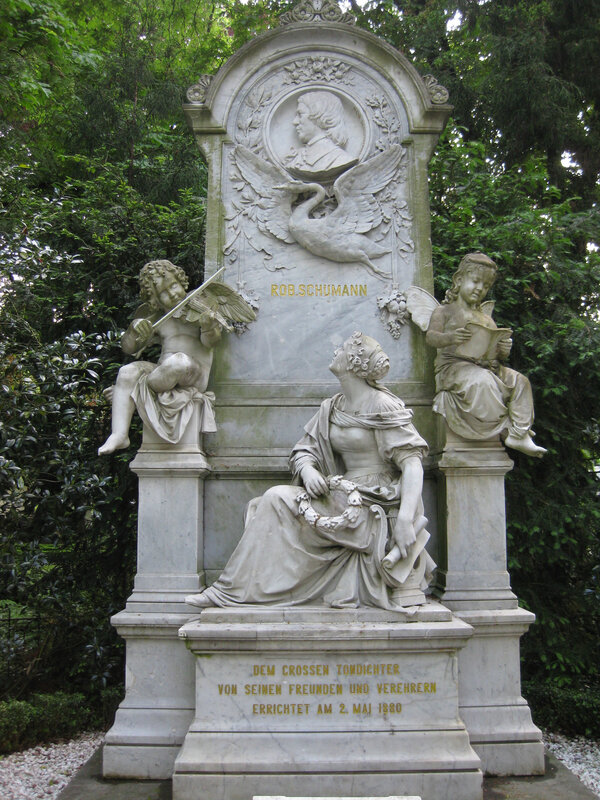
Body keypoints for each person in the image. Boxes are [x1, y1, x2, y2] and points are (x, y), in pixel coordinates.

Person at [186, 332, 433, 610]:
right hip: (341, 492)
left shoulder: (382, 405)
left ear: (353, 363)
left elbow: (412, 463)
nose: (334, 351)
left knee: (276, 498)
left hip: (373, 500)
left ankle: (228, 592)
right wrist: (308, 472)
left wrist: (404, 519)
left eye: (340, 349)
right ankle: (240, 590)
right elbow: (303, 450)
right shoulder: (333, 406)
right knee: (262, 505)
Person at [425, 252, 546, 457]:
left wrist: (502, 352)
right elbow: (431, 337)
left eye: (486, 286)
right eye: (475, 281)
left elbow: (492, 354)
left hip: (483, 366)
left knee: (520, 381)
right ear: (459, 280)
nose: (480, 289)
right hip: (453, 368)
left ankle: (519, 433)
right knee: (482, 381)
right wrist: (451, 338)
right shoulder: (445, 312)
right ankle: (505, 426)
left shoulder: (486, 319)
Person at [98, 260, 222, 455]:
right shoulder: (156, 318)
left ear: (182, 282)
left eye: (174, 285)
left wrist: (208, 326)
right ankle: (119, 434)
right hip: (163, 373)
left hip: (193, 371)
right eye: (164, 292)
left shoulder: (199, 306)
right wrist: (134, 330)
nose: (173, 293)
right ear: (155, 299)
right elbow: (129, 348)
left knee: (177, 362)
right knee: (127, 371)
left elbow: (211, 342)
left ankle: (136, 392)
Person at [287, 91, 357, 177]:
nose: (295, 122)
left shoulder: (340, 159)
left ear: (321, 117)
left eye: (300, 115)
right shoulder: (298, 157)